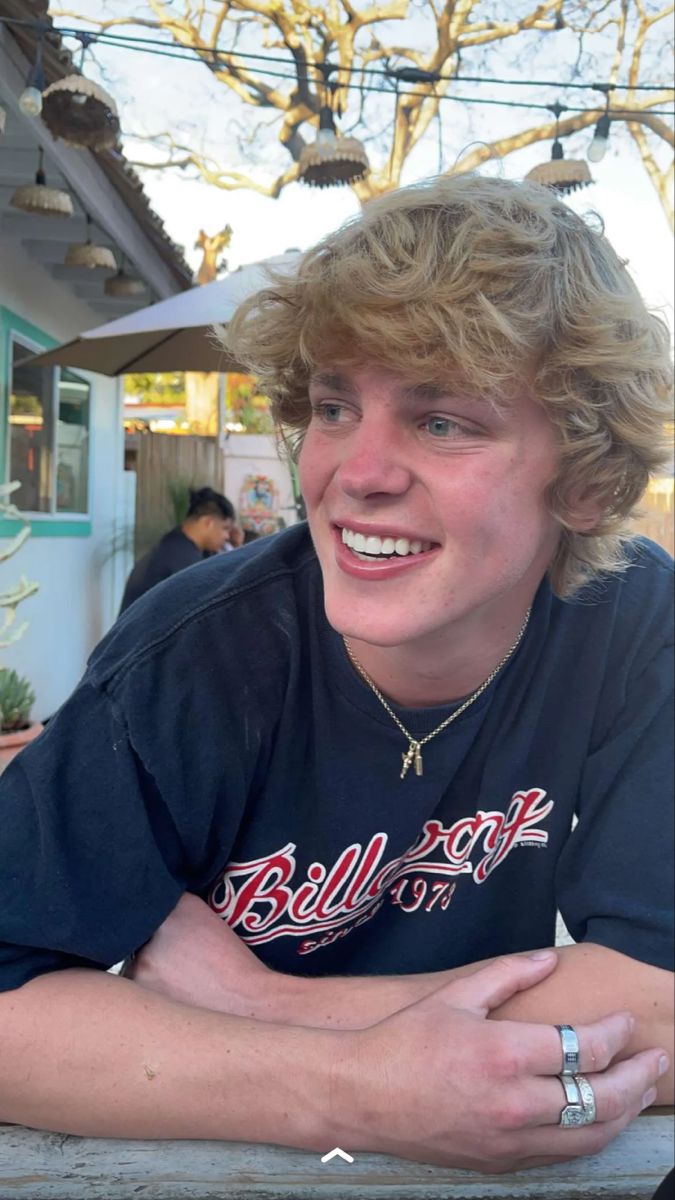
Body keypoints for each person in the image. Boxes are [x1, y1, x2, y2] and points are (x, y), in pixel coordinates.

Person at [0, 175, 672, 1176]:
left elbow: (660, 993)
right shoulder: (197, 652)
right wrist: (352, 1088)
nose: (356, 473)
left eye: (442, 420)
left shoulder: (632, 622)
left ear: (584, 479)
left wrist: (267, 1006)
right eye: (334, 405)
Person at [119, 486, 236, 612]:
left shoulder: (175, 546)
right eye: (225, 528)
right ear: (208, 522)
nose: (227, 536)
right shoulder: (182, 560)